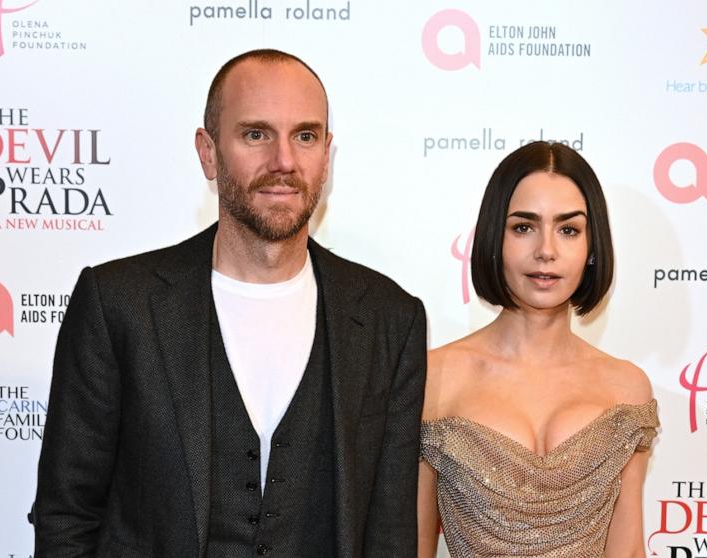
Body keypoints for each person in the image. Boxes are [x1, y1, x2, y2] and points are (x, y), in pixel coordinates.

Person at [31, 49, 427, 557]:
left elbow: (390, 533)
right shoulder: (118, 305)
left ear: (326, 155)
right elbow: (67, 515)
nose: (284, 162)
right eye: (256, 134)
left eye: (304, 136)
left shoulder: (389, 319)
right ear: (208, 151)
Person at [417, 141, 657, 557]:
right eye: (523, 227)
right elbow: (415, 547)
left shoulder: (626, 388)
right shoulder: (434, 378)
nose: (546, 250)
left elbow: (629, 550)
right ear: (495, 237)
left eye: (568, 230)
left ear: (591, 247)